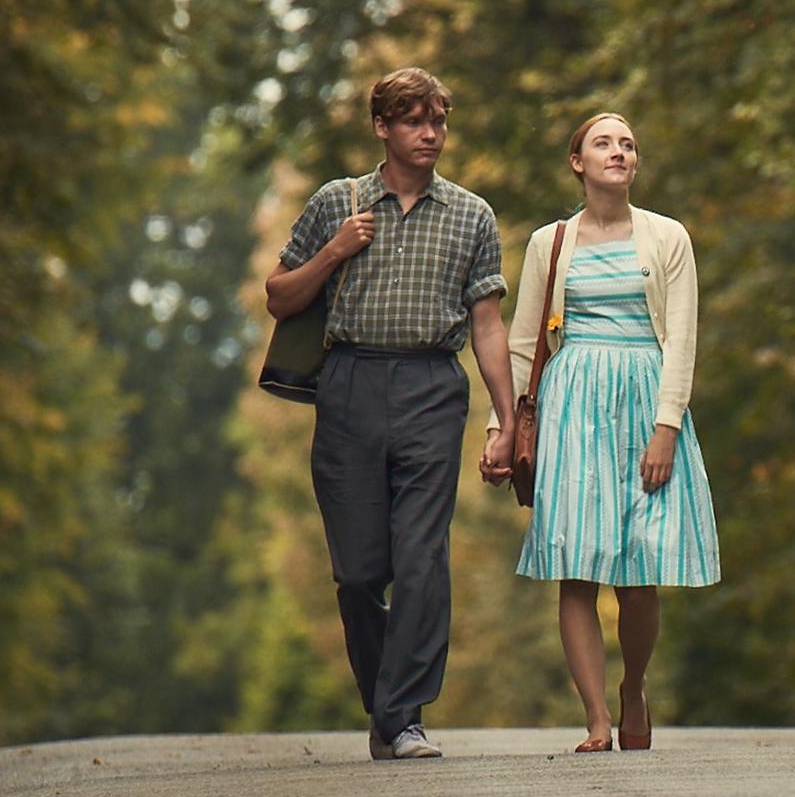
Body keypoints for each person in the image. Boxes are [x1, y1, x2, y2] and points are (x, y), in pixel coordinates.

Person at [265, 67, 516, 761]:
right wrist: (335, 250)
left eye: (438, 121)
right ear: (382, 127)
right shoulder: (335, 203)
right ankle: (385, 700)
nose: (430, 133)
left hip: (433, 387)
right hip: (349, 385)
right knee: (357, 570)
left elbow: (488, 323)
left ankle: (403, 715)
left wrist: (511, 419)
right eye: (413, 120)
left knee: (421, 554)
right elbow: (281, 296)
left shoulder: (472, 215)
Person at [492, 112, 720, 753]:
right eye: (604, 143)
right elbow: (521, 343)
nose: (618, 152)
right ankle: (595, 718)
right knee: (577, 567)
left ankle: (633, 687)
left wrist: (667, 427)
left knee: (639, 570)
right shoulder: (551, 242)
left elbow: (682, 340)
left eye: (628, 144)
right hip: (572, 409)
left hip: (645, 401)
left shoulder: (668, 237)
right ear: (578, 162)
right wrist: (500, 428)